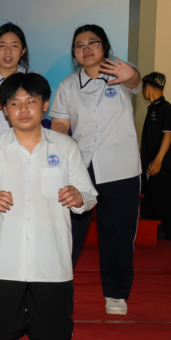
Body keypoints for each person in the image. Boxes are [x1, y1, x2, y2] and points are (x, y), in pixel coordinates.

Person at [0, 73, 96, 340]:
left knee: (54, 339)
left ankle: (36, 313)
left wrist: (79, 197)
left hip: (50, 260)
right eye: (15, 103)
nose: (23, 109)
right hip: (4, 261)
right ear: (5, 110)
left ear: (45, 104)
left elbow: (89, 194)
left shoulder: (65, 146)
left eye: (31, 101)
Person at [50, 25, 143, 315]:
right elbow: (60, 123)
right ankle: (54, 289)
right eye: (80, 45)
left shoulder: (120, 73)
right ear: (74, 53)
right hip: (81, 168)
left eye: (93, 43)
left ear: (105, 46)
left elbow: (135, 81)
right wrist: (64, 141)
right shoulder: (68, 85)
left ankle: (116, 294)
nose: (86, 49)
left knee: (118, 233)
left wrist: (131, 75)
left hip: (121, 169)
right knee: (69, 233)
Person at [140, 72, 171, 241]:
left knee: (165, 206)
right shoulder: (152, 108)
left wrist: (158, 159)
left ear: (147, 88)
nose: (142, 92)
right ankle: (151, 242)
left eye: (143, 88)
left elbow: (168, 134)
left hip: (161, 167)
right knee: (149, 204)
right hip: (149, 168)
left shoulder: (165, 108)